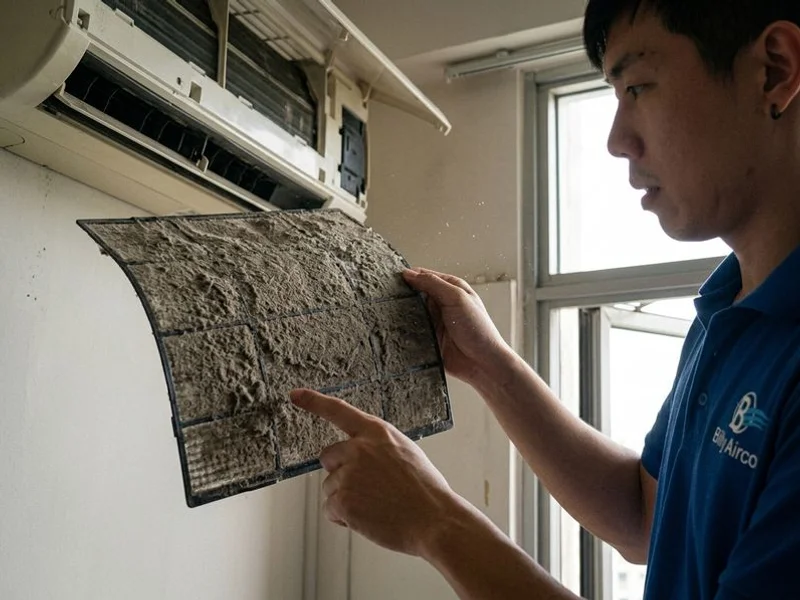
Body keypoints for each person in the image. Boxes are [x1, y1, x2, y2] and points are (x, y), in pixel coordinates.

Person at [291, 0, 800, 597]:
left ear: (773, 70)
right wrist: (489, 364)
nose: (617, 139)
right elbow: (644, 517)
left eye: (638, 86)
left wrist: (436, 521)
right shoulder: (730, 308)